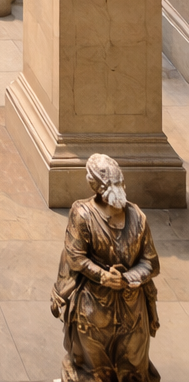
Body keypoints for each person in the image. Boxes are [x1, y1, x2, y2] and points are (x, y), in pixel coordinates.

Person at [50, 153, 160, 382]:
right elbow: (75, 257)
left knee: (134, 369)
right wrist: (103, 276)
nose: (119, 189)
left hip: (132, 311)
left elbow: (151, 262)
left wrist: (128, 278)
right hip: (93, 309)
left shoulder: (138, 218)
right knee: (93, 371)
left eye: (120, 183)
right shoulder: (82, 214)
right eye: (113, 184)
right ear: (95, 186)